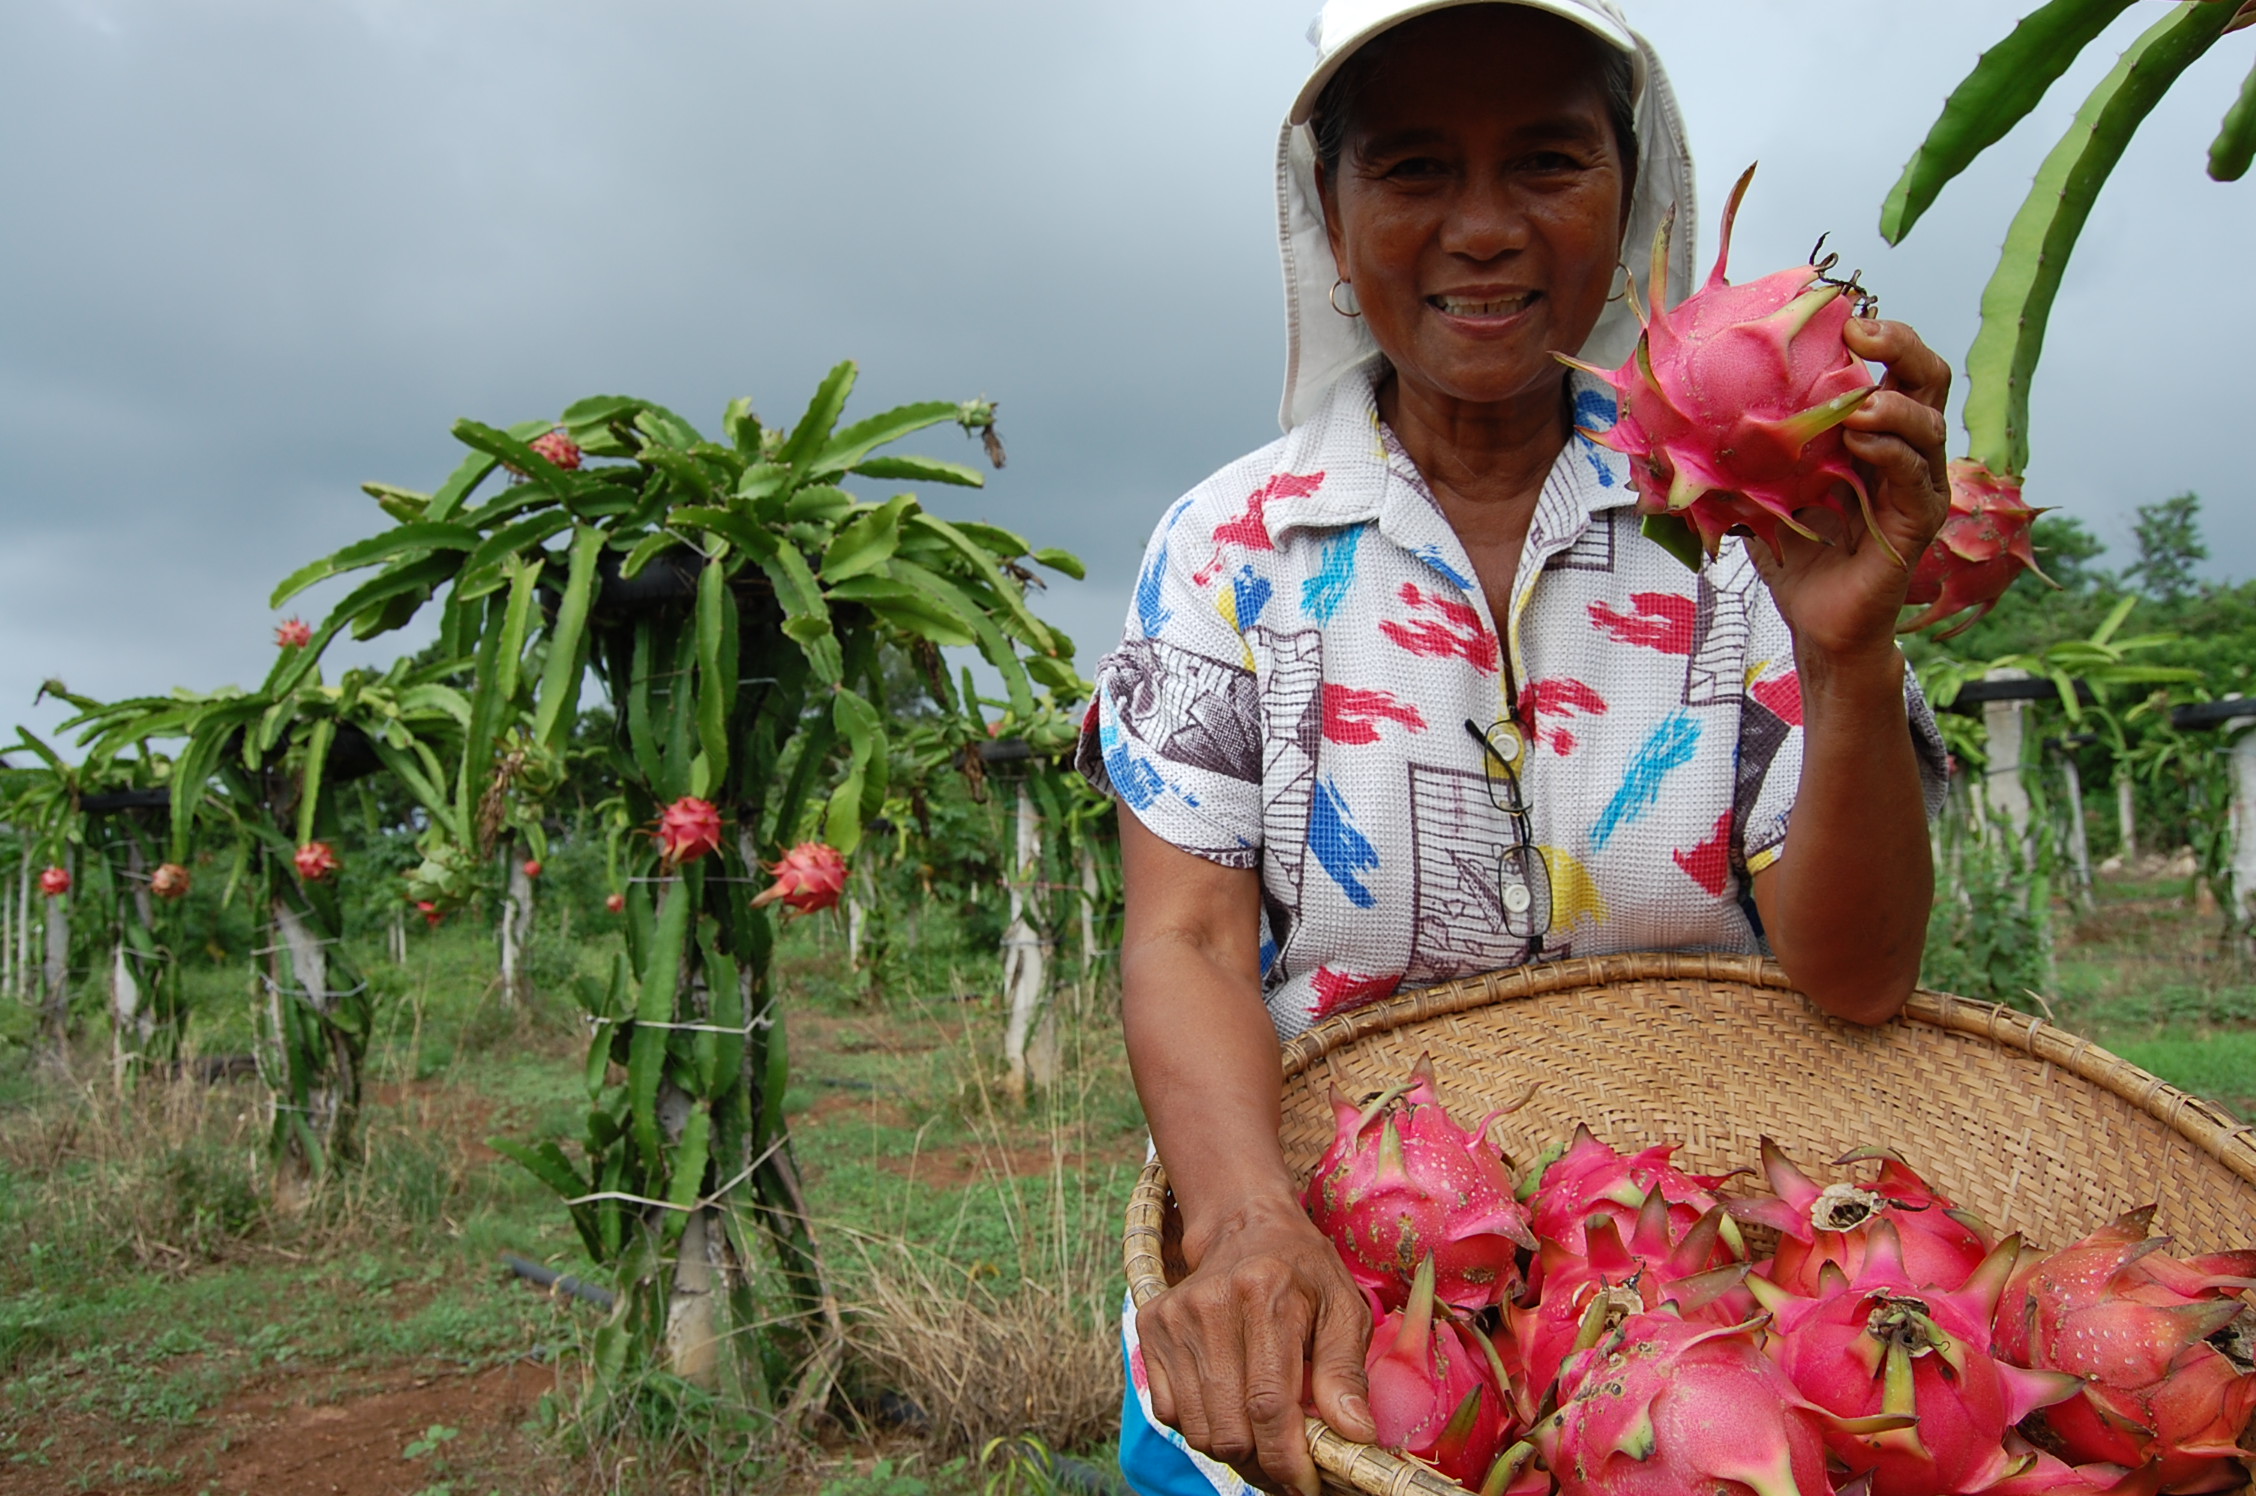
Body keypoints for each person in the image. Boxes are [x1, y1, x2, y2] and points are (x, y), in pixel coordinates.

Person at [1073, 2, 1953, 1493]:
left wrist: (1848, 654)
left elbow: (1856, 977)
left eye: (1547, 161)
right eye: (1414, 170)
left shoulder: (1752, 520)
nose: (1482, 229)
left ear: (1633, 195)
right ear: (1332, 220)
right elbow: (1191, 945)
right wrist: (1247, 1230)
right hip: (1341, 1279)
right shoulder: (1227, 545)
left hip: (1717, 1301)